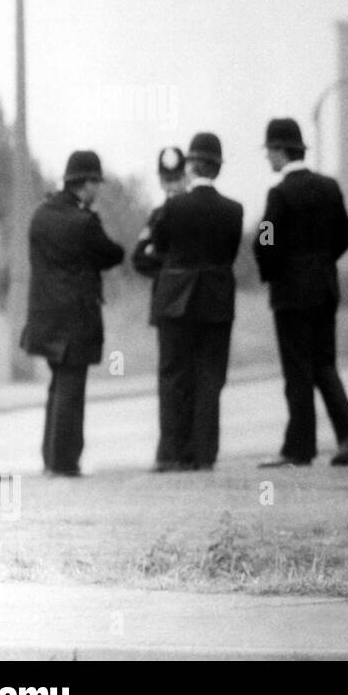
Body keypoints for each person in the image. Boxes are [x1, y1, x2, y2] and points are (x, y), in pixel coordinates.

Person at [253, 118, 348, 468]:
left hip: (291, 293)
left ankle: (300, 448)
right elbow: (345, 233)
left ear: (279, 150)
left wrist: (274, 270)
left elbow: (265, 238)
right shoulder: (329, 188)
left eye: (269, 151)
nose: (268, 159)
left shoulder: (280, 193)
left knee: (297, 371)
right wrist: (321, 261)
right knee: (323, 363)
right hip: (324, 288)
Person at [21, 150, 125, 477]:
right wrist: (93, 219)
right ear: (86, 183)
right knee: (71, 388)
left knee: (56, 385)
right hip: (76, 318)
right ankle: (65, 462)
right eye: (96, 182)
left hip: (44, 317)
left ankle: (51, 459)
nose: (97, 189)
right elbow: (112, 254)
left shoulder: (40, 215)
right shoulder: (84, 222)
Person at [145, 134, 243, 472]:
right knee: (210, 377)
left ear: (191, 165)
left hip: (175, 300)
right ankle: (203, 453)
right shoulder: (234, 210)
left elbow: (158, 247)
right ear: (217, 168)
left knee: (174, 376)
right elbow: (230, 253)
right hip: (216, 300)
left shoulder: (173, 207)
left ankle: (171, 453)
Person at [133, 146, 187, 471]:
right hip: (167, 302)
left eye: (176, 178)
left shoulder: (190, 212)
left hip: (183, 304)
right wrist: (168, 272)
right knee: (169, 379)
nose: (171, 185)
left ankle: (184, 450)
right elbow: (139, 256)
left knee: (185, 377)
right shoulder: (157, 215)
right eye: (166, 179)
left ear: (186, 177)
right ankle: (168, 451)